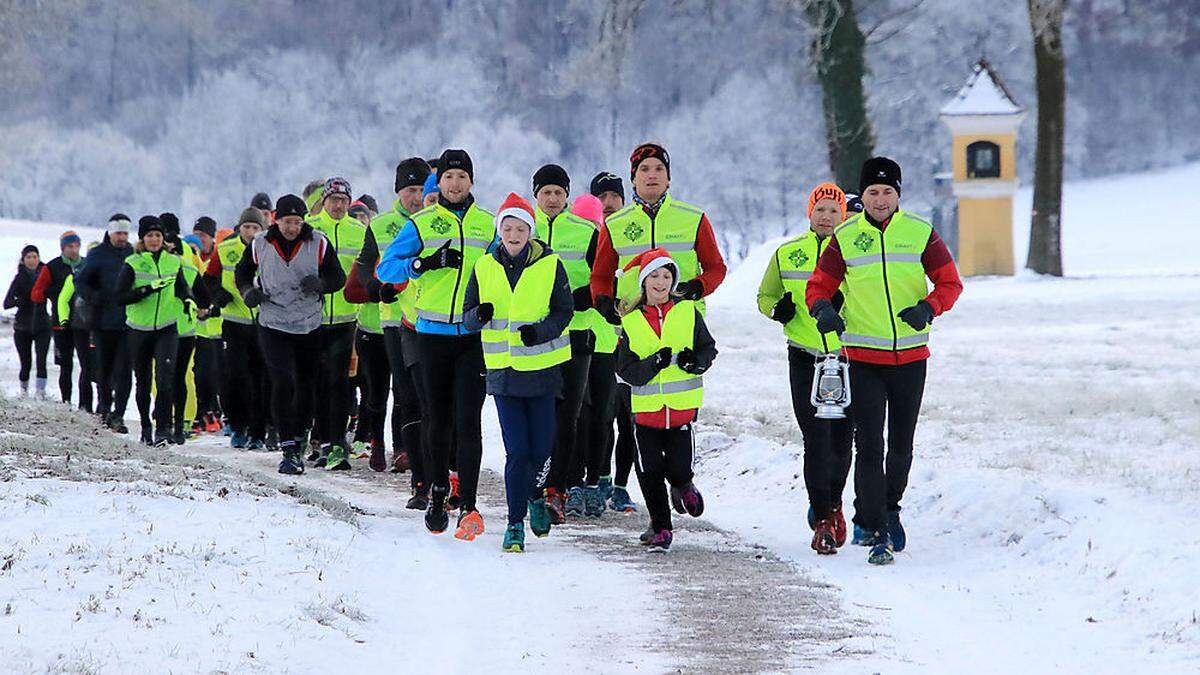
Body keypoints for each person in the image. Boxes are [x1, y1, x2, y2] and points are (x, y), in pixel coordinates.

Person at [805, 156, 963, 565]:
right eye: (873, 192)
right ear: (863, 195)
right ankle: (875, 527)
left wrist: (929, 307)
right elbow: (819, 284)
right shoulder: (845, 237)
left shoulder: (920, 233)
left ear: (898, 195)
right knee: (870, 444)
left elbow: (950, 282)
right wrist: (823, 308)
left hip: (911, 357)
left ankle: (891, 506)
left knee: (902, 446)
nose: (880, 199)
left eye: (887, 192)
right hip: (864, 358)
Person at [378, 148, 495, 539]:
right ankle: (436, 489)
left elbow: (506, 271)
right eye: (448, 178)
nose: (456, 184)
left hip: (473, 338)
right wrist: (422, 264)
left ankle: (471, 503)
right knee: (437, 418)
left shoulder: (488, 225)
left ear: (471, 182)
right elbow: (386, 268)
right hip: (431, 335)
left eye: (462, 177)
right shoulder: (423, 223)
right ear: (439, 183)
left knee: (469, 420)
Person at [463, 192, 572, 552]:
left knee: (541, 449)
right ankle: (514, 524)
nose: (513, 234)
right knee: (517, 452)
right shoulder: (483, 266)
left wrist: (538, 333)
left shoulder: (551, 264)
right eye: (507, 228)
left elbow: (563, 312)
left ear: (530, 231)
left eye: (520, 228)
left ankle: (537, 497)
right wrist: (477, 316)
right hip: (503, 372)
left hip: (542, 370)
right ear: (499, 231)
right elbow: (467, 312)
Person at [758, 182, 854, 555]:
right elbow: (765, 295)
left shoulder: (855, 250)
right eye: (820, 209)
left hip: (846, 356)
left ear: (843, 214)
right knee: (814, 437)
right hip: (804, 354)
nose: (826, 217)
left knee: (842, 438)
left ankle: (834, 504)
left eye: (834, 210)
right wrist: (776, 310)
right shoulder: (788, 253)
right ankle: (824, 517)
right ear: (809, 213)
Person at [236, 194, 346, 475]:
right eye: (287, 222)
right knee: (283, 380)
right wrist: (248, 292)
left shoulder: (318, 242)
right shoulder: (260, 244)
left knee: (306, 384)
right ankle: (288, 448)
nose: (292, 227)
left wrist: (321, 283)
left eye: (297, 222)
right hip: (273, 323)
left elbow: (339, 277)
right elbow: (242, 273)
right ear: (276, 219)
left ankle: (300, 435)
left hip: (308, 323)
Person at [615, 248, 716, 552]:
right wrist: (653, 364)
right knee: (650, 473)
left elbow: (708, 349)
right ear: (644, 282)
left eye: (667, 276)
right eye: (655, 276)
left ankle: (684, 486)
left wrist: (694, 362)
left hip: (682, 412)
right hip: (645, 416)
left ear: (674, 280)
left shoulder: (688, 312)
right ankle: (661, 527)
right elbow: (625, 370)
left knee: (679, 467)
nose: (661, 282)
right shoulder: (631, 321)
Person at [355, 157, 431, 499]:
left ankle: (403, 450)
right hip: (386, 319)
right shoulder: (382, 224)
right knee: (379, 390)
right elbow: (365, 267)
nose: (416, 196)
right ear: (398, 191)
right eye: (410, 189)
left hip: (424, 320)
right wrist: (375, 289)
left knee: (409, 393)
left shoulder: (434, 221)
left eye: (420, 189)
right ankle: (377, 440)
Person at [530, 164, 601, 521]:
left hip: (577, 333)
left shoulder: (586, 231)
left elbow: (603, 277)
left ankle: (561, 486)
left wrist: (586, 295)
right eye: (546, 192)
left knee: (570, 414)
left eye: (559, 192)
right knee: (540, 411)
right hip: (537, 336)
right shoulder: (523, 229)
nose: (553, 199)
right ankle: (537, 482)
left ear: (567, 196)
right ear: (536, 196)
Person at [589, 142, 728, 317]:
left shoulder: (694, 218)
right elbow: (601, 276)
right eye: (644, 169)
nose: (652, 175)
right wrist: (603, 302)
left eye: (659, 169)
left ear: (668, 178)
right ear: (633, 178)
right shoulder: (614, 224)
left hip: (685, 319)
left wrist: (697, 288)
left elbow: (716, 268)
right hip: (634, 320)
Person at [114, 216, 191, 446]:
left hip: (167, 328)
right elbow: (119, 297)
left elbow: (183, 288)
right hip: (139, 330)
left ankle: (163, 428)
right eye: (149, 235)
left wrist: (189, 301)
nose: (154, 239)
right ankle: (146, 426)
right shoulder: (133, 262)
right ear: (142, 239)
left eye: (158, 235)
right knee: (144, 381)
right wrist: (146, 290)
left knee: (165, 378)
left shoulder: (173, 261)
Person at [305, 176, 365, 470]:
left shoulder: (359, 230)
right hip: (312, 319)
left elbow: (368, 269)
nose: (339, 205)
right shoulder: (311, 229)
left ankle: (337, 441)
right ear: (324, 202)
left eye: (343, 200)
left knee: (340, 383)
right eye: (333, 200)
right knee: (315, 381)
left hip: (345, 318)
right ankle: (317, 438)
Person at [570, 193, 624, 516]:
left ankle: (596, 480)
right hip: (576, 341)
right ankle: (574, 481)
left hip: (607, 345)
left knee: (602, 418)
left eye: (595, 224)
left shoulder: (608, 252)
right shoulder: (575, 249)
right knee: (576, 417)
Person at [588, 171, 639, 513]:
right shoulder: (589, 236)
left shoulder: (630, 235)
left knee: (629, 419)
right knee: (601, 416)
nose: (608, 204)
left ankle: (621, 486)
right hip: (598, 339)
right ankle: (601, 478)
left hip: (633, 337)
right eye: (601, 198)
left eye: (613, 197)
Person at [204, 208, 267, 448]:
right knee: (236, 377)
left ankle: (258, 432)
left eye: (255, 228)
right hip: (234, 321)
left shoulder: (267, 249)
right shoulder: (225, 249)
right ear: (239, 228)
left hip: (263, 322)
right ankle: (238, 427)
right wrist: (219, 295)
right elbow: (208, 278)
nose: (251, 233)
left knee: (261, 377)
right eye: (247, 227)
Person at [75, 214, 134, 431]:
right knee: (104, 370)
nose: (122, 237)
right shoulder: (97, 255)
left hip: (129, 322)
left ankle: (119, 414)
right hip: (102, 323)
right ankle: (104, 408)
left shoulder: (132, 253)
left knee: (125, 371)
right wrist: (93, 296)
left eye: (125, 233)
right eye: (118, 233)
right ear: (110, 233)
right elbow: (81, 282)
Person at [31, 231, 92, 410]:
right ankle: (66, 402)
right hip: (61, 324)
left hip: (84, 323)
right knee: (66, 365)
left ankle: (85, 406)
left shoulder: (87, 264)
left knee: (86, 364)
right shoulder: (52, 267)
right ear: (62, 248)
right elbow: (36, 293)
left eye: (76, 246)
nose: (73, 250)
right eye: (69, 247)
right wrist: (53, 293)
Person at [5, 245, 51, 397]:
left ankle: (40, 392)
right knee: (26, 362)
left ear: (39, 258)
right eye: (28, 257)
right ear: (23, 260)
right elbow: (7, 303)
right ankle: (24, 392)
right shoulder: (19, 278)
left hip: (42, 324)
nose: (32, 260)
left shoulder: (46, 275)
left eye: (35, 257)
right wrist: (21, 300)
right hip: (22, 326)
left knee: (42, 361)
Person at [191, 217, 223, 432]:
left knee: (216, 373)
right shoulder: (191, 257)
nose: (199, 239)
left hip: (219, 326)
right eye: (196, 234)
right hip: (197, 327)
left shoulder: (217, 258)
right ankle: (201, 411)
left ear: (212, 237)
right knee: (199, 372)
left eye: (203, 234)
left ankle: (214, 410)